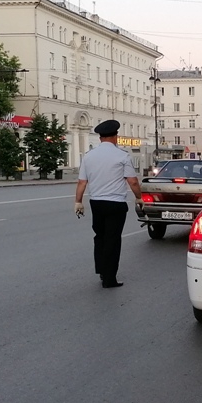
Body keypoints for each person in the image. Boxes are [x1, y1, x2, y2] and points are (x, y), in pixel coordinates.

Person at [74, 119, 142, 289]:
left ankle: (102, 271)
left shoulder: (89, 156)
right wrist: (139, 197)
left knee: (100, 237)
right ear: (115, 137)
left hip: (96, 203)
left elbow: (82, 182)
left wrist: (78, 202)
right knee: (113, 240)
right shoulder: (122, 156)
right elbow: (133, 181)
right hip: (115, 204)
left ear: (100, 138)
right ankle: (110, 278)